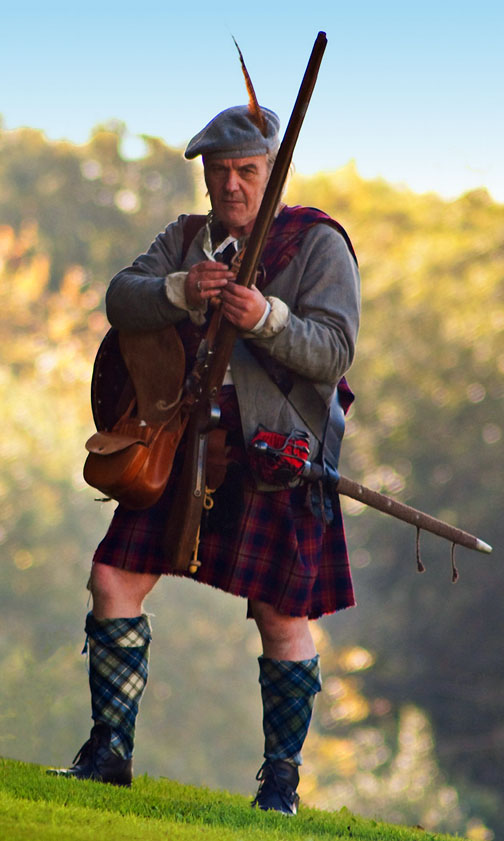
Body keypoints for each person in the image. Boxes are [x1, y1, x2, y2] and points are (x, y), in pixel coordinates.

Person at [49, 104, 360, 816]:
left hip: (274, 453)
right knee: (111, 578)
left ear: (274, 172)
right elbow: (120, 299)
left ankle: (280, 786)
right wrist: (178, 289)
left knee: (282, 615)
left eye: (247, 170)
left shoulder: (317, 244)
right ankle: (109, 755)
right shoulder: (186, 239)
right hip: (180, 443)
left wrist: (267, 320)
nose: (231, 185)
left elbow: (335, 351)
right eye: (219, 172)